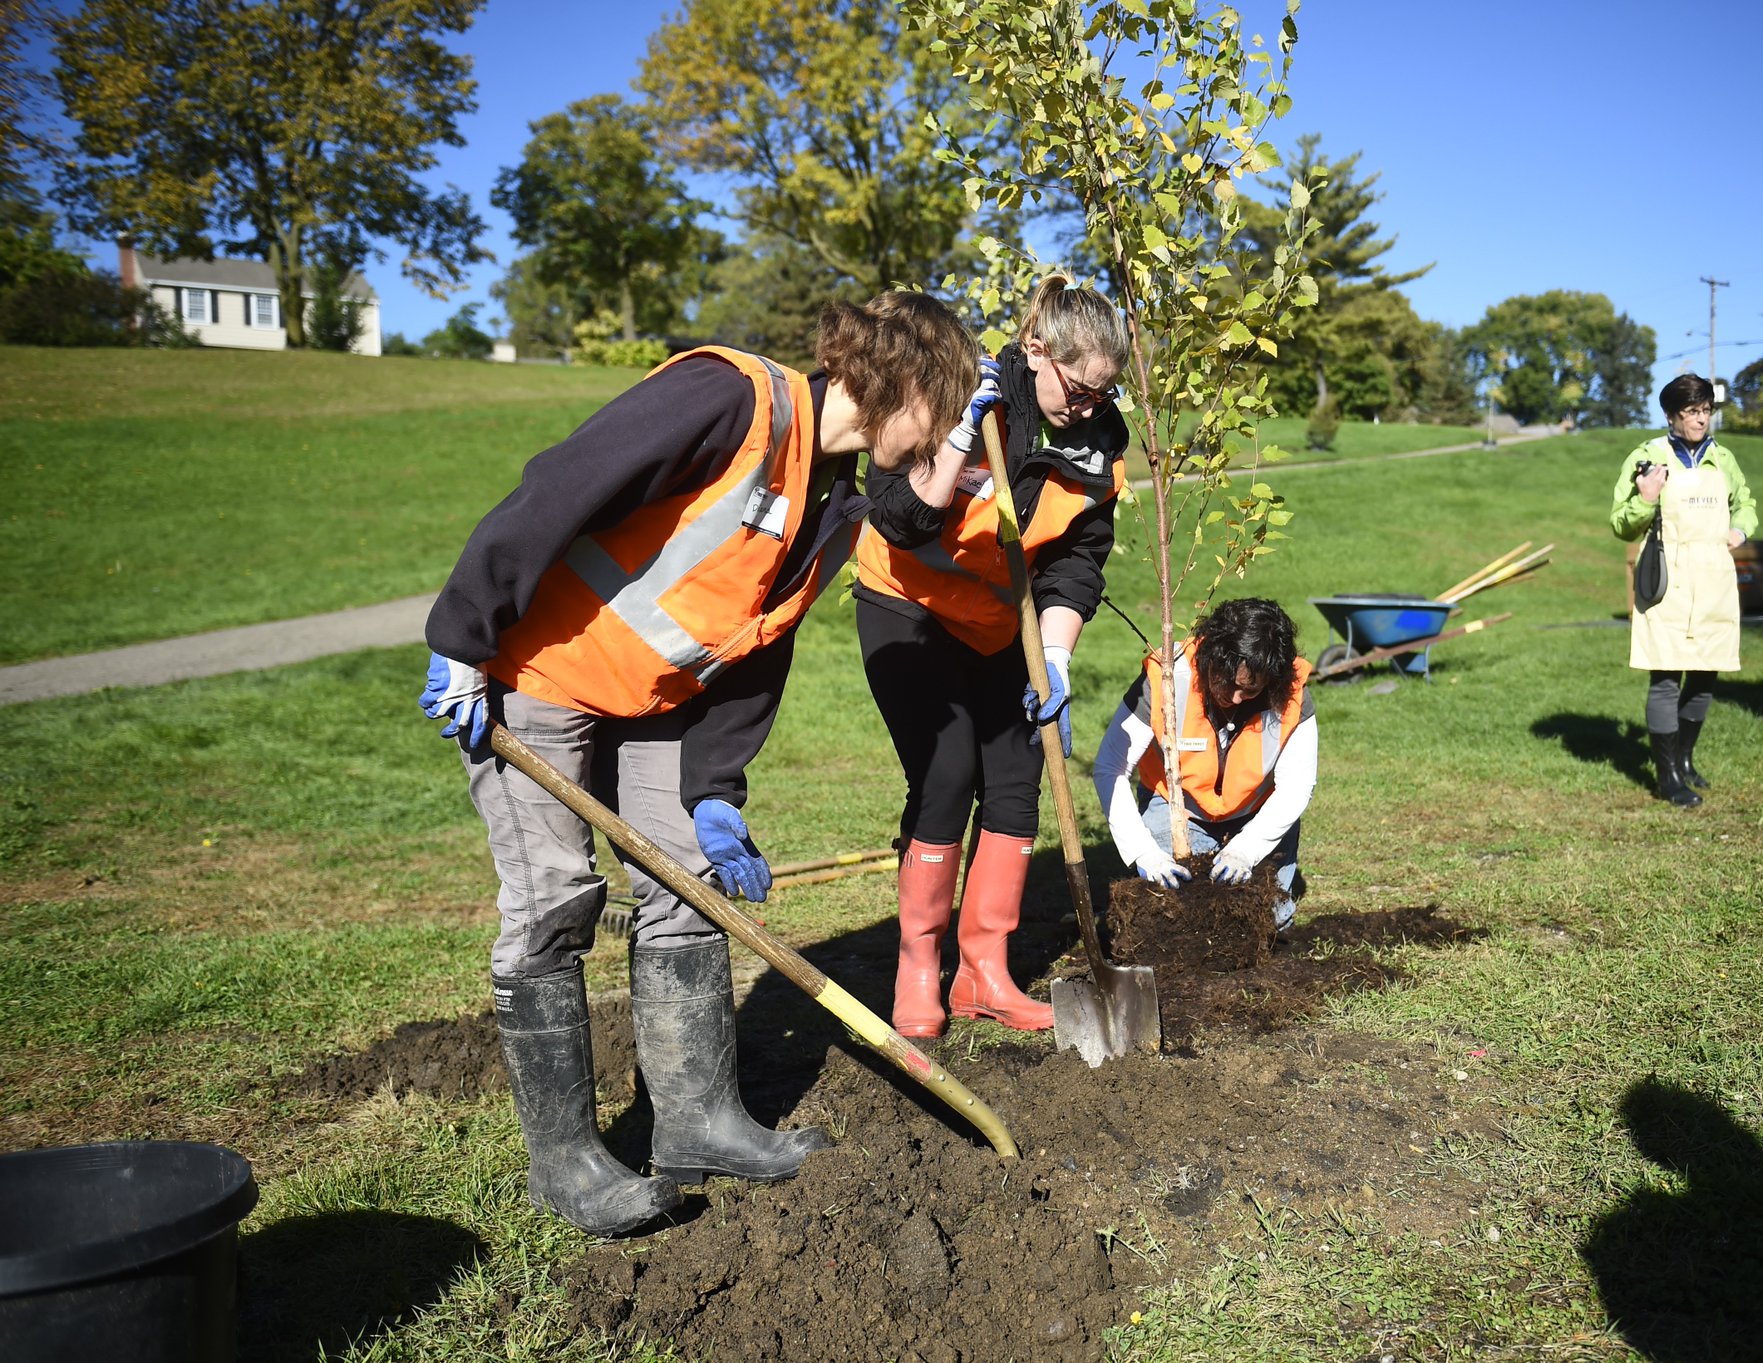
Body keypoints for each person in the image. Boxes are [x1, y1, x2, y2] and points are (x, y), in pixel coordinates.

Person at [417, 292, 978, 1235]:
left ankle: (697, 1121)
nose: (936, 452)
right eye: (942, 416)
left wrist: (714, 786)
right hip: (539, 676)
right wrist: (464, 631)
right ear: (901, 382)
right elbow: (560, 485)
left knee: (691, 884)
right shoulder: (729, 400)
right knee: (553, 900)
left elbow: (757, 651)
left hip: (659, 710)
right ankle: (564, 1165)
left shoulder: (833, 502)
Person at [854, 276, 1130, 1040]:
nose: (1087, 408)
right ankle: (918, 970)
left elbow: (1079, 559)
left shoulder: (1098, 443)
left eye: (1102, 395)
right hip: (906, 605)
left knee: (1016, 780)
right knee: (945, 773)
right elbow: (898, 516)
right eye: (1077, 389)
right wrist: (957, 435)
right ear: (1036, 350)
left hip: (1006, 622)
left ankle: (984, 972)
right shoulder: (962, 393)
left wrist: (1057, 654)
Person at [1091, 597, 1318, 929]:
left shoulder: (1291, 695)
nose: (1237, 698)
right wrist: (1143, 853)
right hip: (1178, 808)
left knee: (1270, 920)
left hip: (1254, 814)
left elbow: (1296, 788)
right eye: (1230, 684)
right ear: (1211, 658)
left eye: (1251, 690)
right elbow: (1110, 766)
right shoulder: (1169, 677)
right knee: (1180, 914)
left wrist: (1247, 848)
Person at [1609, 374, 1758, 807]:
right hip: (1666, 578)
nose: (1701, 420)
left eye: (1706, 410)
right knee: (1666, 674)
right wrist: (1646, 497)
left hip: (1713, 575)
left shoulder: (1723, 457)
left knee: (1706, 670)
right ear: (1672, 415)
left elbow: (1746, 502)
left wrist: (1739, 530)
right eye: (1692, 412)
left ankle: (1686, 759)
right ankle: (1667, 775)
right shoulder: (1646, 457)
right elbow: (1621, 524)